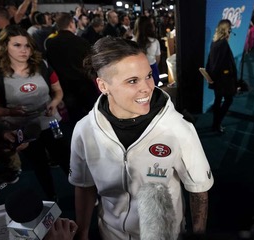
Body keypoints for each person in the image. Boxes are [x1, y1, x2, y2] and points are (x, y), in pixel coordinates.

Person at [68, 37, 214, 239]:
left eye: (148, 76)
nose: (147, 87)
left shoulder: (178, 129)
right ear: (103, 86)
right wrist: (82, 231)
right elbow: (84, 185)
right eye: (132, 81)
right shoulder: (84, 131)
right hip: (111, 234)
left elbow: (198, 190)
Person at [0, 25, 70, 200]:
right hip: (22, 128)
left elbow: (58, 91)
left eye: (27, 45)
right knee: (39, 164)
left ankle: (82, 190)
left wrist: (54, 102)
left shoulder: (42, 65)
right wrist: (10, 111)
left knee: (65, 157)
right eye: (17, 45)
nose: (24, 50)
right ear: (5, 46)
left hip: (50, 121)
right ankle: (51, 196)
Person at [46, 12, 99, 127]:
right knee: (93, 118)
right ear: (71, 24)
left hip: (64, 88)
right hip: (84, 86)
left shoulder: (50, 44)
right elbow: (91, 63)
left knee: (75, 120)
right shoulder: (81, 42)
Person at [206, 19, 237, 133]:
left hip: (217, 79)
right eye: (230, 29)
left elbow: (212, 60)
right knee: (228, 100)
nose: (230, 31)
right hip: (222, 80)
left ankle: (216, 124)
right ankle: (217, 123)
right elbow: (219, 63)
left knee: (218, 100)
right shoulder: (223, 43)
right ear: (226, 29)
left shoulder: (215, 41)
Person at [133, 16, 161, 86]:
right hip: (152, 68)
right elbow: (158, 58)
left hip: (137, 70)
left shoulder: (132, 42)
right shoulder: (155, 41)